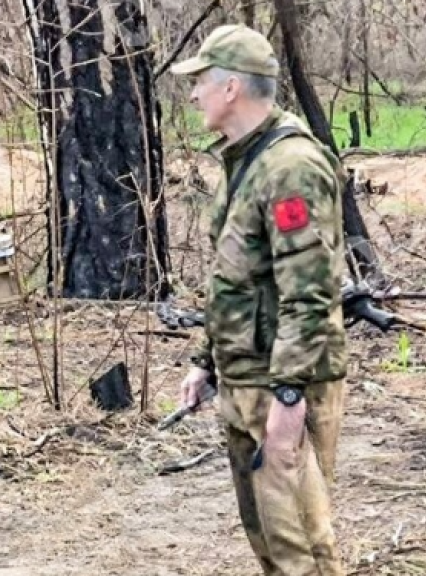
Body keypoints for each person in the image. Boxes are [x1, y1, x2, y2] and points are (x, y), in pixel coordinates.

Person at [170, 24, 349, 575]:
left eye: (200, 81)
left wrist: (290, 397)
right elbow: (236, 277)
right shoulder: (244, 160)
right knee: (270, 544)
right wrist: (206, 361)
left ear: (231, 89)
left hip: (281, 388)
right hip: (246, 378)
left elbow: (310, 290)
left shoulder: (289, 167)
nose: (193, 93)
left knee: (302, 550)